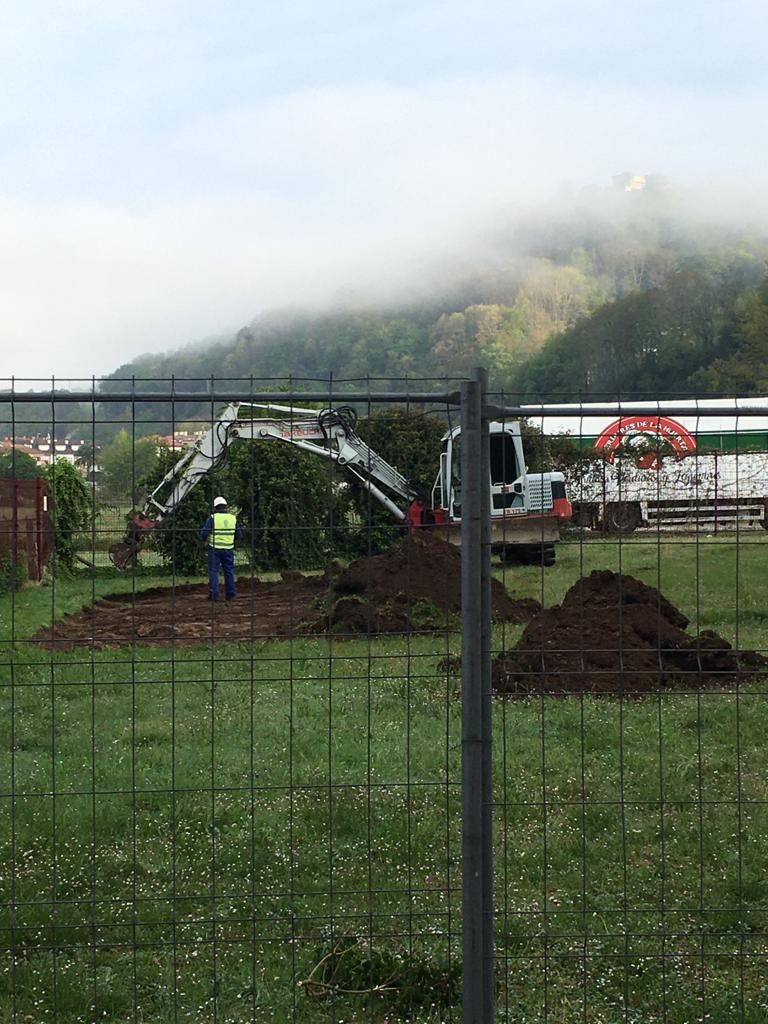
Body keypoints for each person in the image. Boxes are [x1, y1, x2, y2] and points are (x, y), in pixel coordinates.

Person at [200, 496, 242, 601]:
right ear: (226, 507)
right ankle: (231, 594)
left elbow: (204, 532)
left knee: (214, 571)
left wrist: (205, 540)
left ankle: (214, 595)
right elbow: (239, 534)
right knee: (229, 571)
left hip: (215, 549)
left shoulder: (213, 518)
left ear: (215, 507)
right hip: (229, 549)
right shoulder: (233, 518)